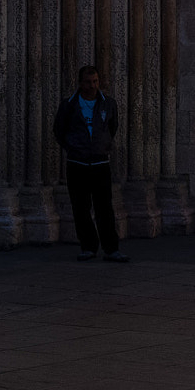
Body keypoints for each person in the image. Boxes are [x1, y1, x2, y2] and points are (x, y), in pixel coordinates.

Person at [53, 65, 127, 262]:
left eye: (95, 81)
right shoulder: (69, 105)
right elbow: (59, 130)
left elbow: (113, 127)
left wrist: (102, 145)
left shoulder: (108, 104)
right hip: (77, 163)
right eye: (88, 82)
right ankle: (88, 247)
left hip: (100, 162)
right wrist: (73, 146)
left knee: (104, 207)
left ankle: (111, 249)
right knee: (81, 207)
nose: (92, 86)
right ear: (80, 83)